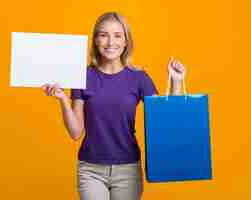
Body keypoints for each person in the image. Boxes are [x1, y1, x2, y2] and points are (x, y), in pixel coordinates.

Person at [42, 12, 185, 200]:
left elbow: (165, 120)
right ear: (95, 40)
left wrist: (176, 82)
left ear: (126, 41)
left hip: (128, 169)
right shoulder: (82, 77)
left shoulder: (138, 77)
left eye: (117, 35)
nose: (111, 42)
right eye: (103, 35)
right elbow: (76, 132)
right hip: (90, 169)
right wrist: (62, 99)